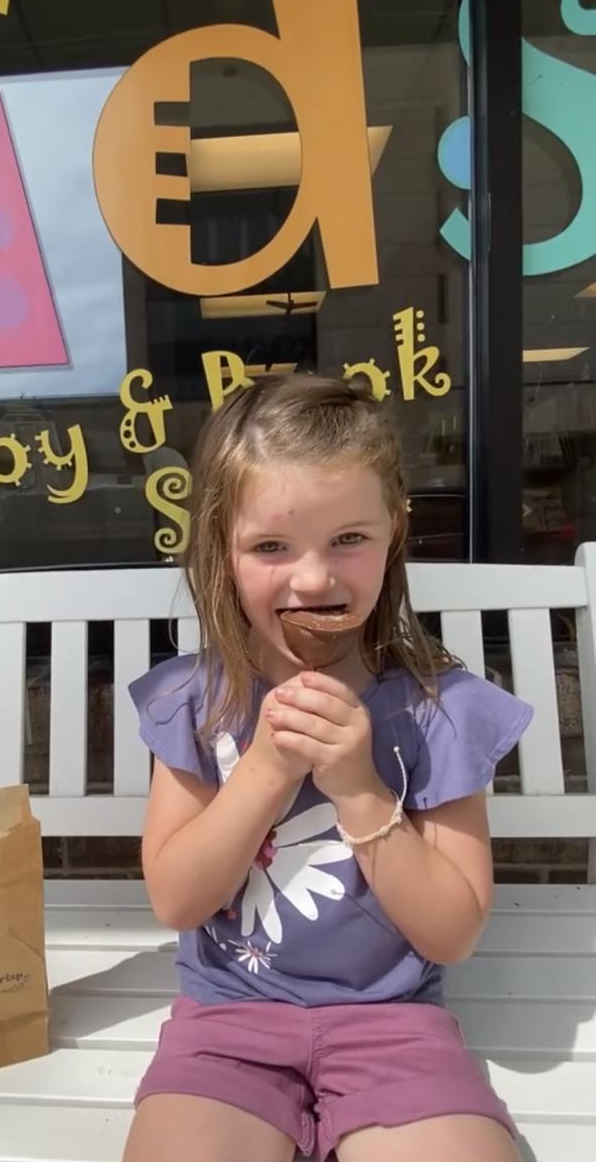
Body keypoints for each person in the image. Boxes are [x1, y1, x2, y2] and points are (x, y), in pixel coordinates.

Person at [125, 374, 533, 1162]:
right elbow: (176, 898)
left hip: (395, 1025)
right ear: (221, 547)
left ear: (394, 533)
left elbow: (451, 931)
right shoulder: (194, 701)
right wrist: (265, 770)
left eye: (348, 539)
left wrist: (357, 787)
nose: (313, 579)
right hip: (225, 1024)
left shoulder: (437, 710)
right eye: (270, 547)